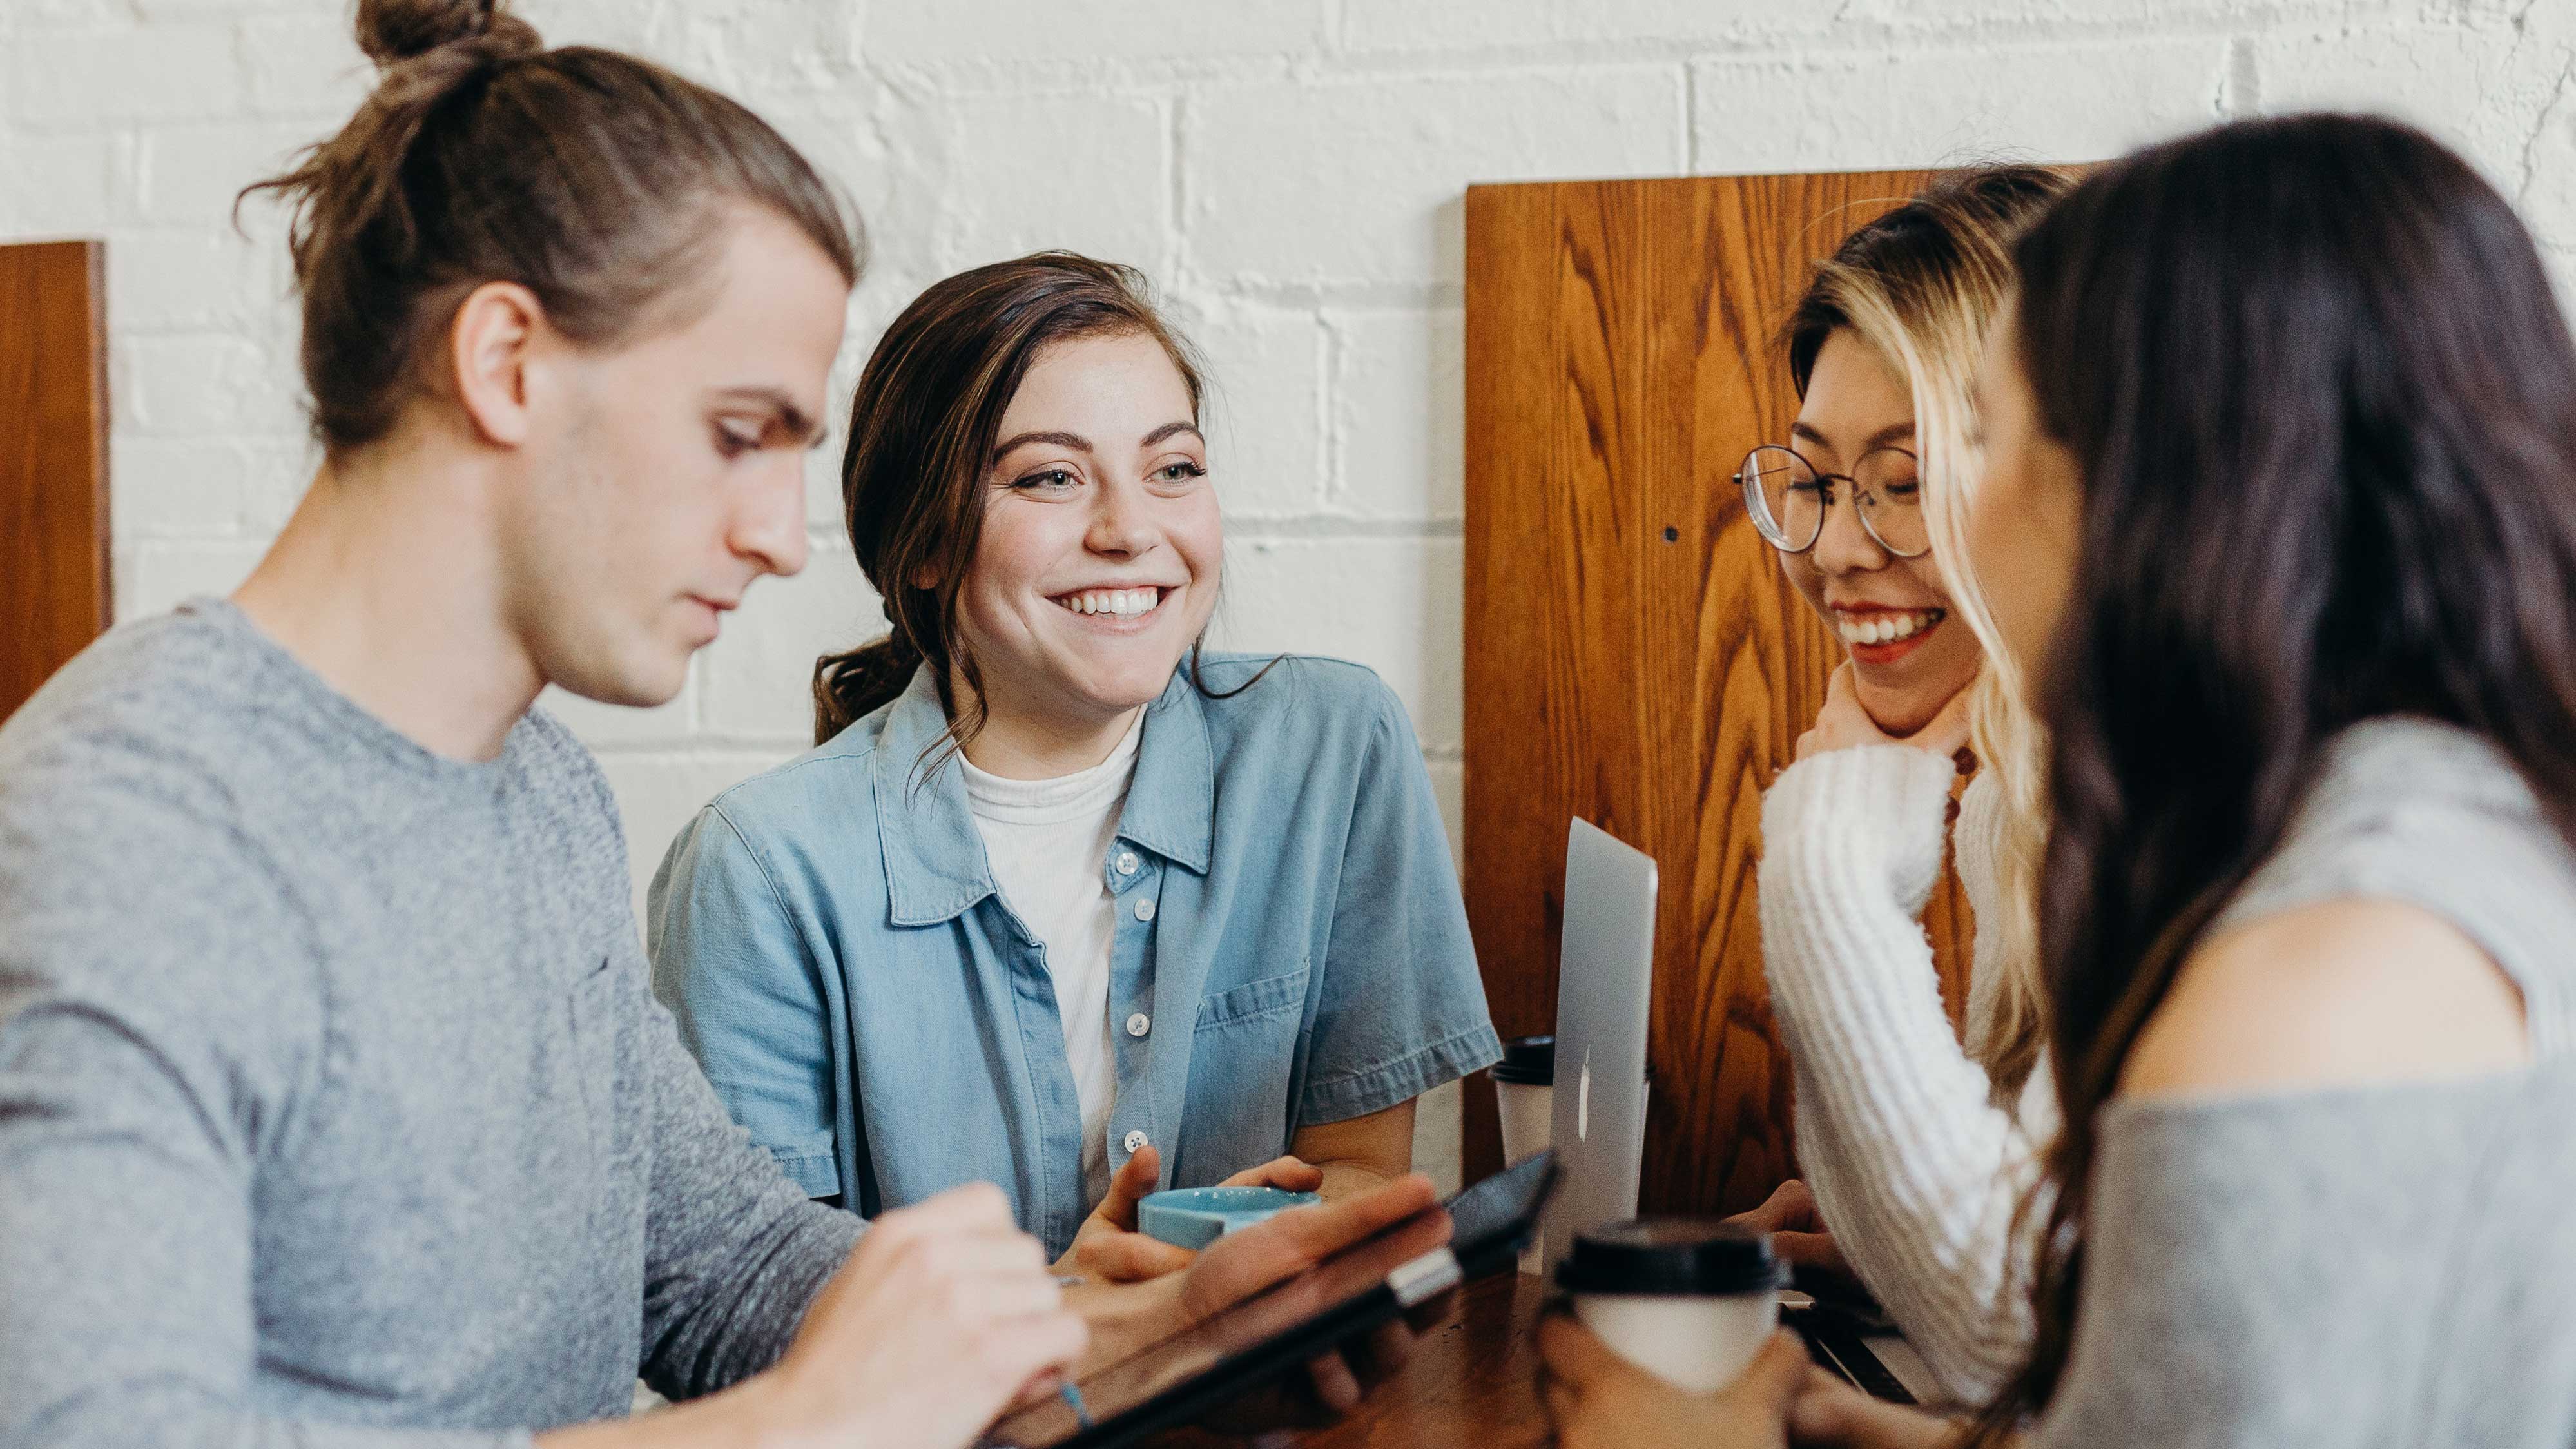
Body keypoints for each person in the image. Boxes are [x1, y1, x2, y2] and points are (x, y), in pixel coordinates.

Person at [0, 5, 1440, 1446]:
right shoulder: (127, 831)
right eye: (737, 432)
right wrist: (799, 1425)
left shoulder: (533, 791)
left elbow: (724, 1266)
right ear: (505, 362)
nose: (772, 536)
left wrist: (1129, 1330)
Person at [1542, 112, 2576, 1448]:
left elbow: (2034, 1327)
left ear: (2171, 482)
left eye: (1986, 439)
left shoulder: (2307, 971)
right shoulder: (2439, 829)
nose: (1875, 538)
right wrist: (1846, 1427)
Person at [648, 251, 1502, 1277]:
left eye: (1172, 469)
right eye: (1050, 477)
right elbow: (758, 1307)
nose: (1131, 530)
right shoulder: (759, 869)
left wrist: (1240, 1253)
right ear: (921, 544)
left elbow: (1360, 1172)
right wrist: (1080, 1318)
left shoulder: (1330, 748)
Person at [1736, 166, 2069, 1403]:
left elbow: (2013, 1337)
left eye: (1906, 478)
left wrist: (1825, 865)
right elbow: (2041, 1284)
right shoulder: (2015, 799)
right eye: (1817, 480)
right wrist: (1882, 1235)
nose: (1832, 548)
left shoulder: (2165, 810)